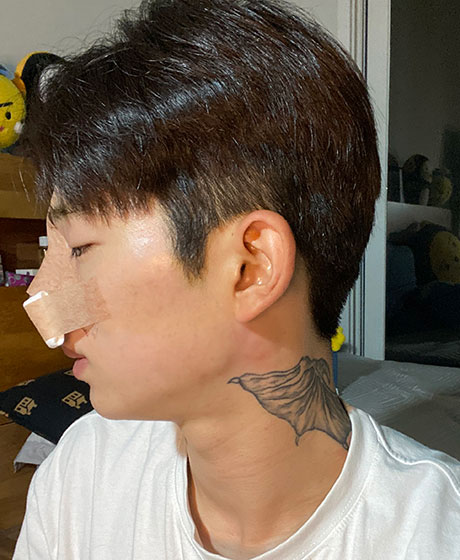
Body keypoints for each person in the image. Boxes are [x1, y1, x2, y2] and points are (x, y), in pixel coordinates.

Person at [14, 0, 459, 558]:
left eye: (79, 248)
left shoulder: (437, 536)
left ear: (251, 267)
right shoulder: (82, 477)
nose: (42, 304)